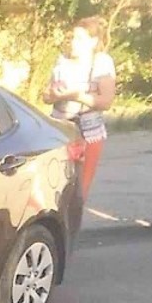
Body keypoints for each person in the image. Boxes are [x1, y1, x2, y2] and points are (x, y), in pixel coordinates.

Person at [43, 16, 117, 199]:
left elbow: (106, 101)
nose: (75, 43)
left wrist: (76, 96)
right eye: (73, 38)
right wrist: (52, 95)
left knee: (79, 189)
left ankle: (74, 221)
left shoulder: (100, 62)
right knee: (54, 185)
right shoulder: (63, 62)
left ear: (93, 42)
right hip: (60, 130)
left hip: (87, 132)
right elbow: (46, 95)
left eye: (80, 39)